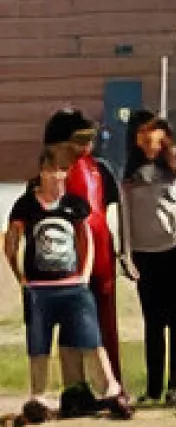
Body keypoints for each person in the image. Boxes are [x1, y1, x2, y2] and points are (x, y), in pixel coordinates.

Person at [6, 150, 134, 423]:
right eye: (50, 171)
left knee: (92, 341)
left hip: (73, 284)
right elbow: (12, 239)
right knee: (39, 345)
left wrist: (84, 272)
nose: (56, 177)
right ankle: (38, 396)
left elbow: (85, 237)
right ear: (41, 173)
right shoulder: (26, 205)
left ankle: (111, 390)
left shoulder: (74, 204)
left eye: (60, 171)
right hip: (40, 287)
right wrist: (21, 276)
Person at [119, 115, 176, 406]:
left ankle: (175, 387)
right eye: (140, 135)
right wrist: (126, 254)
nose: (146, 141)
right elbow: (125, 215)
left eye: (150, 133)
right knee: (152, 322)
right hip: (144, 254)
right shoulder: (130, 171)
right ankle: (153, 388)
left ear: (164, 134)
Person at [44, 109, 123, 387]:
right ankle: (76, 386)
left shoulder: (99, 169)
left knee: (104, 321)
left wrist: (123, 251)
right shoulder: (50, 174)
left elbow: (113, 211)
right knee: (72, 322)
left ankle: (111, 383)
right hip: (67, 256)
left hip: (100, 252)